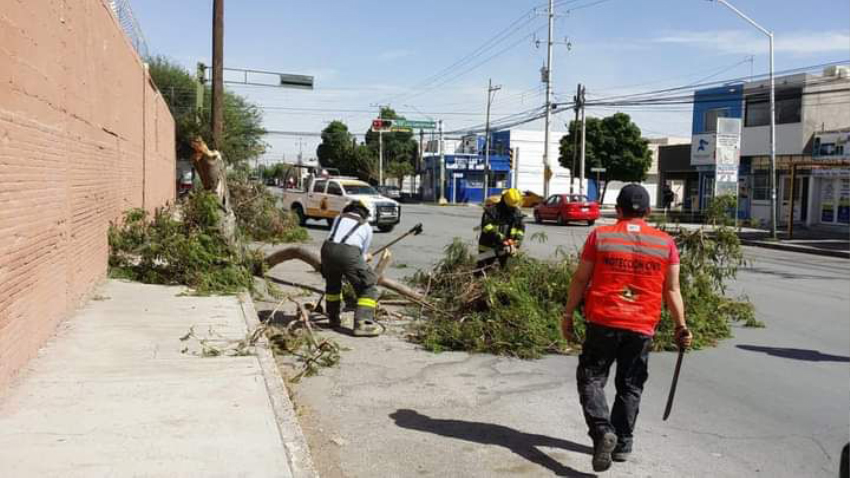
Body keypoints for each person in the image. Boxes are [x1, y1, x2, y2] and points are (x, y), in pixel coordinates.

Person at [561, 184, 693, 473]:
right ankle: (622, 443)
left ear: (618, 209)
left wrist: (568, 314)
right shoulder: (665, 243)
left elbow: (580, 279)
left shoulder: (601, 236)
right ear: (647, 211)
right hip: (642, 326)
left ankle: (602, 431)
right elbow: (672, 289)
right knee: (630, 385)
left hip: (603, 322)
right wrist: (681, 326)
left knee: (592, 378)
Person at [321, 201, 381, 337]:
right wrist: (366, 258)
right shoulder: (366, 226)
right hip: (349, 253)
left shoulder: (338, 218)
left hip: (327, 249)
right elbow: (359, 256)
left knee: (333, 284)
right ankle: (363, 323)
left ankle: (333, 317)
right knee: (368, 285)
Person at [477, 188, 525, 269]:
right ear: (505, 201)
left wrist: (516, 242)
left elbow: (520, 229)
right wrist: (502, 239)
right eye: (510, 206)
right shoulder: (491, 211)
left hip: (507, 248)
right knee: (483, 270)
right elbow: (487, 228)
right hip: (488, 248)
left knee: (508, 271)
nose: (512, 208)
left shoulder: (517, 213)